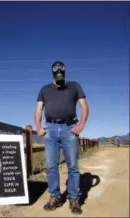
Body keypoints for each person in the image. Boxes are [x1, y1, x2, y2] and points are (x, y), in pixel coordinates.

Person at [34, 61, 89, 215]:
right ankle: (55, 197)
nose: (59, 72)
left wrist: (82, 123)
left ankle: (73, 198)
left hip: (69, 128)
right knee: (51, 166)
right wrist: (38, 126)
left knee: (72, 165)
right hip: (50, 129)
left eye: (61, 70)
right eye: (56, 70)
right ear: (52, 72)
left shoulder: (74, 86)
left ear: (64, 71)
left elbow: (84, 105)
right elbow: (38, 109)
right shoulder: (44, 89)